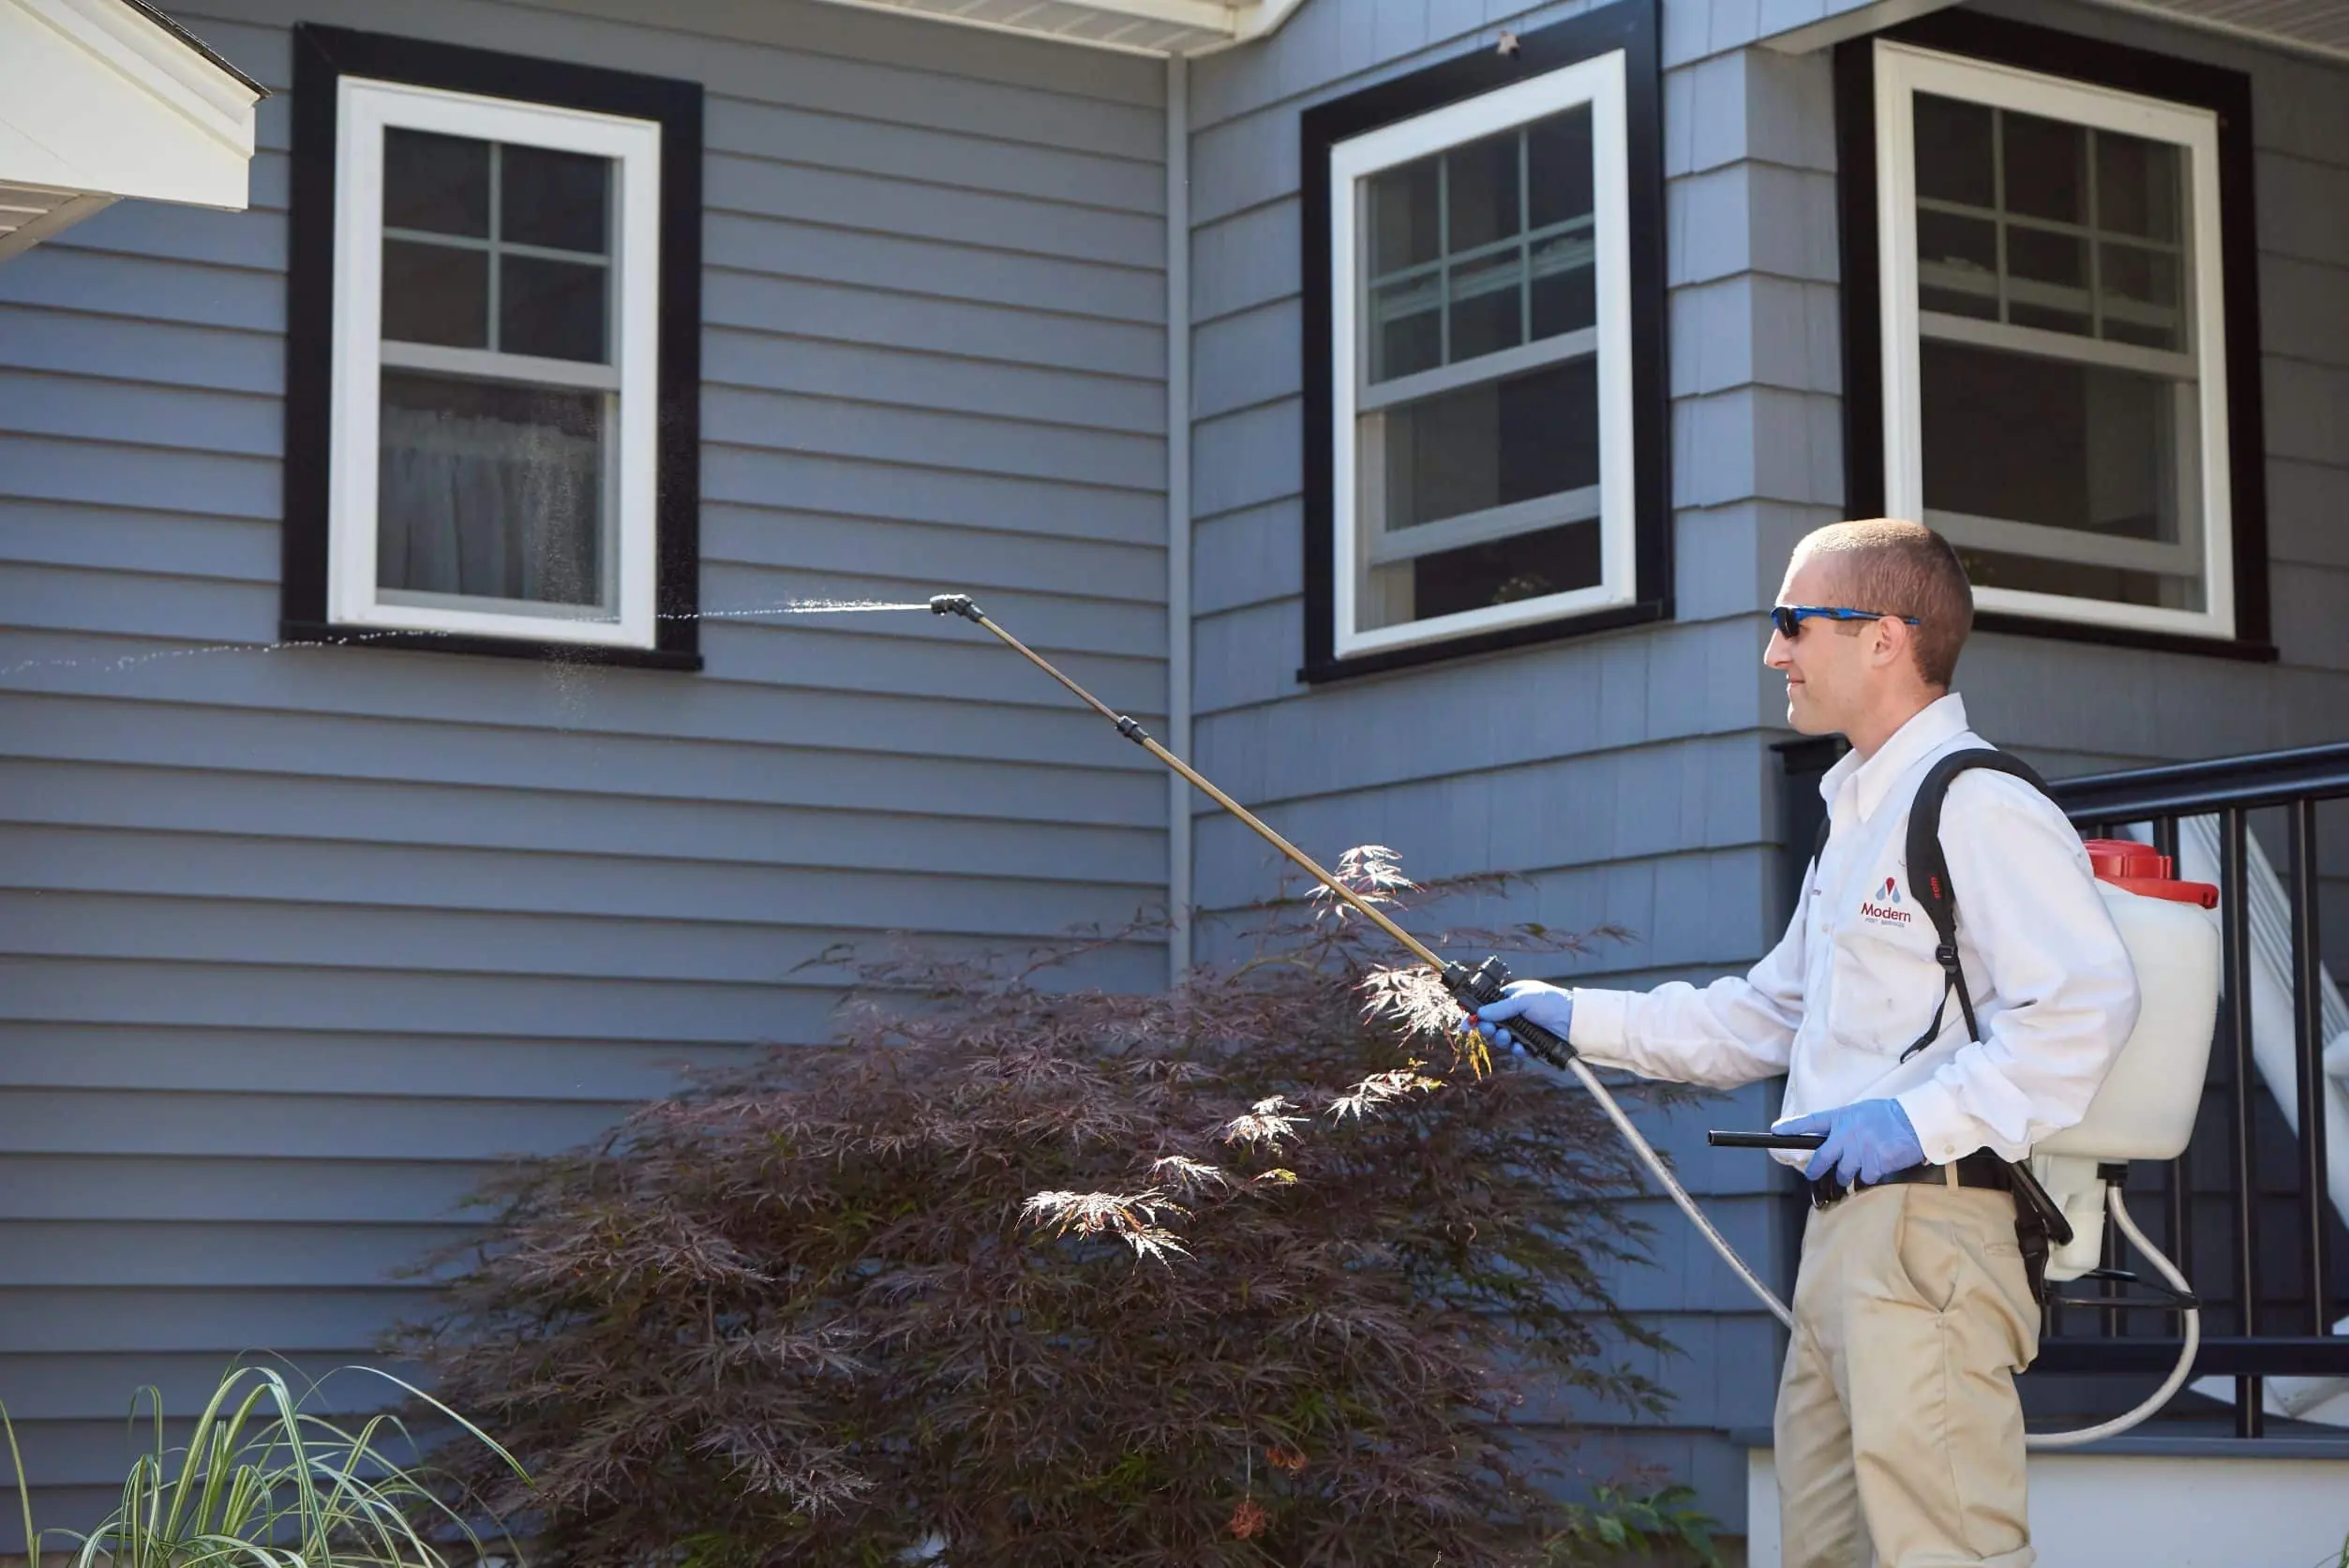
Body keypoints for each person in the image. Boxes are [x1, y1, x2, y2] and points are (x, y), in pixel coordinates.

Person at [1472, 519, 2140, 1568]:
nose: (1772, 650)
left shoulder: (1974, 800)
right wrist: (1575, 1015)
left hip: (1930, 1230)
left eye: (1791, 622)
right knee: (1821, 1549)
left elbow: (2082, 1010)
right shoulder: (1853, 809)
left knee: (1946, 1550)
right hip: (1841, 1239)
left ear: (1884, 636)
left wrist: (1907, 1117)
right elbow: (1765, 1015)